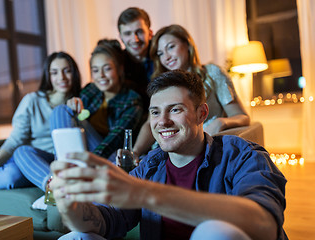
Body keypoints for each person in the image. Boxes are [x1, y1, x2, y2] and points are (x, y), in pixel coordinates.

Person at [49, 70, 287, 240]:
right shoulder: (150, 167)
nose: (162, 122)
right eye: (155, 112)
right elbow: (107, 220)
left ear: (201, 114)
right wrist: (72, 207)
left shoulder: (242, 155)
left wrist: (143, 194)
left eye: (175, 109)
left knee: (215, 232)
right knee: (76, 237)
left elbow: (264, 225)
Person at [14, 39, 143, 190]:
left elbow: (114, 140)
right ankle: (54, 187)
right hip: (80, 153)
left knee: (60, 110)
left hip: (106, 156)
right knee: (21, 151)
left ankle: (72, 178)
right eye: (95, 70)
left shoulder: (132, 100)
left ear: (120, 69)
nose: (101, 75)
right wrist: (73, 106)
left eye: (107, 69)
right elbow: (76, 116)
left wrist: (86, 163)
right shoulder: (90, 90)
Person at [0, 51, 82, 190]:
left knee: (11, 175)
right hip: (19, 154)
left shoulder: (80, 103)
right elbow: (16, 139)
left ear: (74, 73)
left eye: (67, 71)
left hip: (36, 163)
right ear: (48, 76)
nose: (61, 77)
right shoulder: (33, 100)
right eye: (54, 72)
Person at [132, 24, 250, 159]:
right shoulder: (162, 84)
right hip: (163, 151)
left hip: (198, 150)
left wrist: (220, 122)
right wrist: (134, 152)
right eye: (160, 53)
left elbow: (242, 116)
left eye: (171, 47)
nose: (166, 57)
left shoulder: (212, 73)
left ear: (188, 45)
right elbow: (150, 124)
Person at [118, 7, 153, 109]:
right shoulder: (117, 63)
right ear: (120, 37)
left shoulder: (164, 56)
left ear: (150, 34)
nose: (135, 39)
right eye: (127, 33)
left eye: (139, 32)